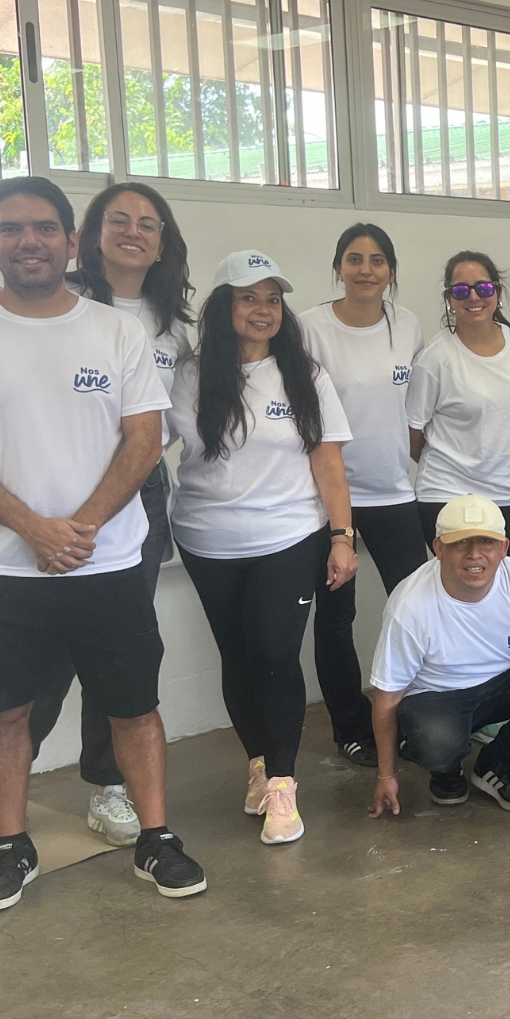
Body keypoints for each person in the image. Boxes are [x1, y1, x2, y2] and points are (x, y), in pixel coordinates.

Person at [0, 176, 204, 910]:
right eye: (11, 230)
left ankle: (154, 836)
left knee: (133, 706)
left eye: (43, 228)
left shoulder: (119, 329)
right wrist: (34, 530)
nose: (27, 241)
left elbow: (143, 443)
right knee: (6, 711)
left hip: (105, 560)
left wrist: (82, 530)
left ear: (71, 244)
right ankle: (13, 842)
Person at [168, 250, 357, 846]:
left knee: (276, 655)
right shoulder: (189, 375)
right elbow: (137, 433)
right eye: (249, 297)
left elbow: (328, 460)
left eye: (273, 299)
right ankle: (257, 762)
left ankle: (282, 784)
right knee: (239, 657)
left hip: (288, 536)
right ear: (224, 306)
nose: (263, 309)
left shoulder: (305, 375)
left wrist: (341, 536)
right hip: (206, 539)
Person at [299, 224, 430, 768]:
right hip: (331, 501)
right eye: (354, 259)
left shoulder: (409, 325)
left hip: (396, 493)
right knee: (336, 618)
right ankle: (350, 728)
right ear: (337, 268)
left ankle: (420, 715)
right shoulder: (308, 327)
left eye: (378, 260)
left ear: (392, 272)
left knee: (418, 607)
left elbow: (417, 409)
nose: (366, 270)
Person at [366, 495, 510, 817]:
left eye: (486, 542)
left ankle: (498, 764)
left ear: (504, 547)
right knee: (436, 741)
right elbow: (386, 695)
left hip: (503, 684)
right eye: (460, 543)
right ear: (439, 549)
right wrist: (387, 775)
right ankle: (445, 769)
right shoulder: (410, 605)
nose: (474, 555)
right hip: (438, 696)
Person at [408, 251, 510, 588]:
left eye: (483, 288)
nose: (473, 297)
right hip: (454, 499)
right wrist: (460, 465)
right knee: (468, 604)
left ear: (498, 293)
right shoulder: (435, 359)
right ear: (449, 299)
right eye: (461, 291)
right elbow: (414, 432)